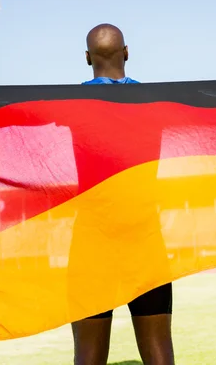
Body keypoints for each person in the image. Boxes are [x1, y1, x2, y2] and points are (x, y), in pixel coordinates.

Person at [70, 24, 175, 365]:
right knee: (158, 344)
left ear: (87, 58)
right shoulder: (155, 103)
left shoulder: (70, 104)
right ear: (126, 52)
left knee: (88, 351)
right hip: (145, 234)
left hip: (91, 238)